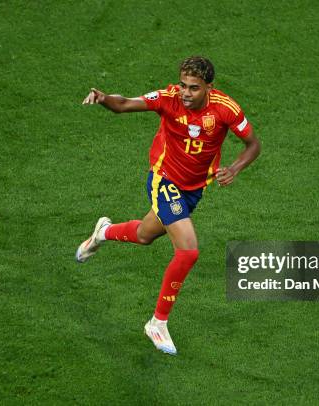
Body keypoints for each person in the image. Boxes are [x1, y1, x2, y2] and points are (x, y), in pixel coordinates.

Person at [76, 56, 261, 355]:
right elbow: (124, 104)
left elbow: (254, 144)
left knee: (144, 235)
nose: (186, 93)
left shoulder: (226, 109)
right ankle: (157, 323)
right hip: (164, 181)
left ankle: (103, 232)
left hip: (193, 190)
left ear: (209, 88)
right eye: (183, 85)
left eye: (194, 88)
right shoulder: (167, 99)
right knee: (188, 250)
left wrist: (236, 168)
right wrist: (103, 98)